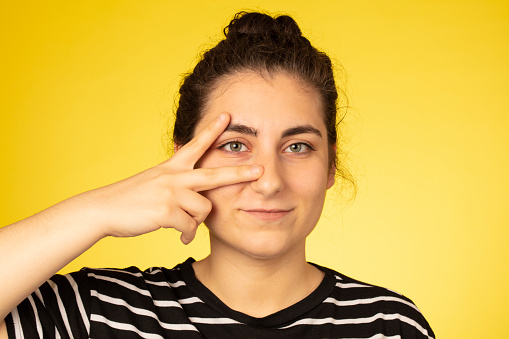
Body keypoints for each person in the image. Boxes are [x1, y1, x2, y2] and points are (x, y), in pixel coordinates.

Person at [0, 11, 434, 338]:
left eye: (297, 146)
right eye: (234, 145)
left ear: (330, 166)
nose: (268, 181)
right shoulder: (99, 312)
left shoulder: (389, 324)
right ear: (185, 161)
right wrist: (97, 211)